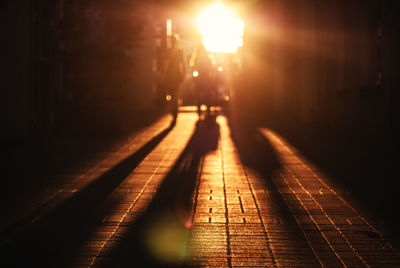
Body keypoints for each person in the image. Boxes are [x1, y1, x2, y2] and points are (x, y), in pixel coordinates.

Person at [161, 34, 185, 119]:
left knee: (172, 94)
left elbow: (166, 65)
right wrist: (183, 74)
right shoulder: (179, 52)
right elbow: (182, 64)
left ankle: (173, 110)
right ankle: (174, 110)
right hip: (175, 76)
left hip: (171, 76)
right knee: (174, 94)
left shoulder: (170, 51)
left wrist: (164, 74)